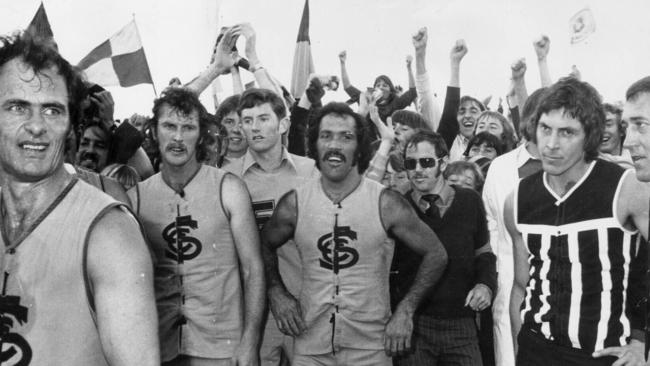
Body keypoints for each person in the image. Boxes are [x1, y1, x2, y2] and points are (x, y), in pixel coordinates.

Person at [0, 31, 158, 364]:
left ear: (71, 126)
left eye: (53, 111)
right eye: (17, 107)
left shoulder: (109, 233)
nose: (36, 126)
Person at [261, 102, 448, 366]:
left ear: (359, 147)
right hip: (311, 343)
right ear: (314, 144)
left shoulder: (385, 202)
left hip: (370, 347)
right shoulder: (294, 203)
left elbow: (436, 253)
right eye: (326, 136)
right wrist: (277, 293)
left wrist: (406, 310)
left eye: (346, 137)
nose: (334, 145)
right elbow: (263, 244)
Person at [507, 77, 648, 366]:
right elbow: (521, 285)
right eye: (545, 129)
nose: (552, 144)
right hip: (536, 350)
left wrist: (640, 340)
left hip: (600, 354)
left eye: (567, 133)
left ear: (590, 137)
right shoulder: (518, 198)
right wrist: (519, 346)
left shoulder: (626, 189)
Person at [128, 87, 265, 365]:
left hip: (220, 346)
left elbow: (253, 269)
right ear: (154, 132)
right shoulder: (136, 198)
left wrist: (250, 341)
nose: (178, 137)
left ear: (200, 135)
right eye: (169, 126)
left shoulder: (228, 188)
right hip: (160, 347)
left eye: (188, 127)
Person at [225, 88, 318, 366]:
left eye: (263, 118)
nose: (254, 127)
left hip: (306, 305)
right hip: (252, 312)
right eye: (247, 120)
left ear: (283, 124)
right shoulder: (227, 178)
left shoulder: (311, 172)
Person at [393, 130, 496, 366]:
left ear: (444, 162)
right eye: (411, 163)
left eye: (427, 162)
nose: (418, 169)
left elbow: (484, 253)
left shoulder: (469, 201)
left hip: (461, 322)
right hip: (415, 326)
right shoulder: (399, 206)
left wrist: (485, 285)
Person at [482, 86, 547, 366]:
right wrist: (499, 274)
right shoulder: (501, 167)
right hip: (509, 286)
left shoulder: (575, 169)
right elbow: (491, 224)